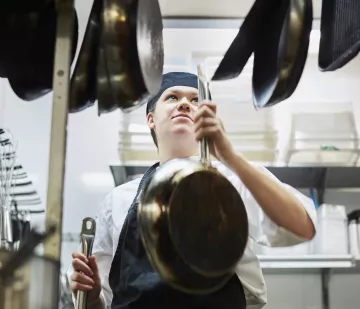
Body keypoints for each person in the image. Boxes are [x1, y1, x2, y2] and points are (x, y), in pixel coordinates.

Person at [68, 72, 317, 309]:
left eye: (195, 100)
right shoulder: (118, 200)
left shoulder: (230, 180)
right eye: (172, 97)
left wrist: (229, 155)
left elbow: (302, 225)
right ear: (151, 119)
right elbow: (107, 301)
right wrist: (90, 299)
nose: (185, 104)